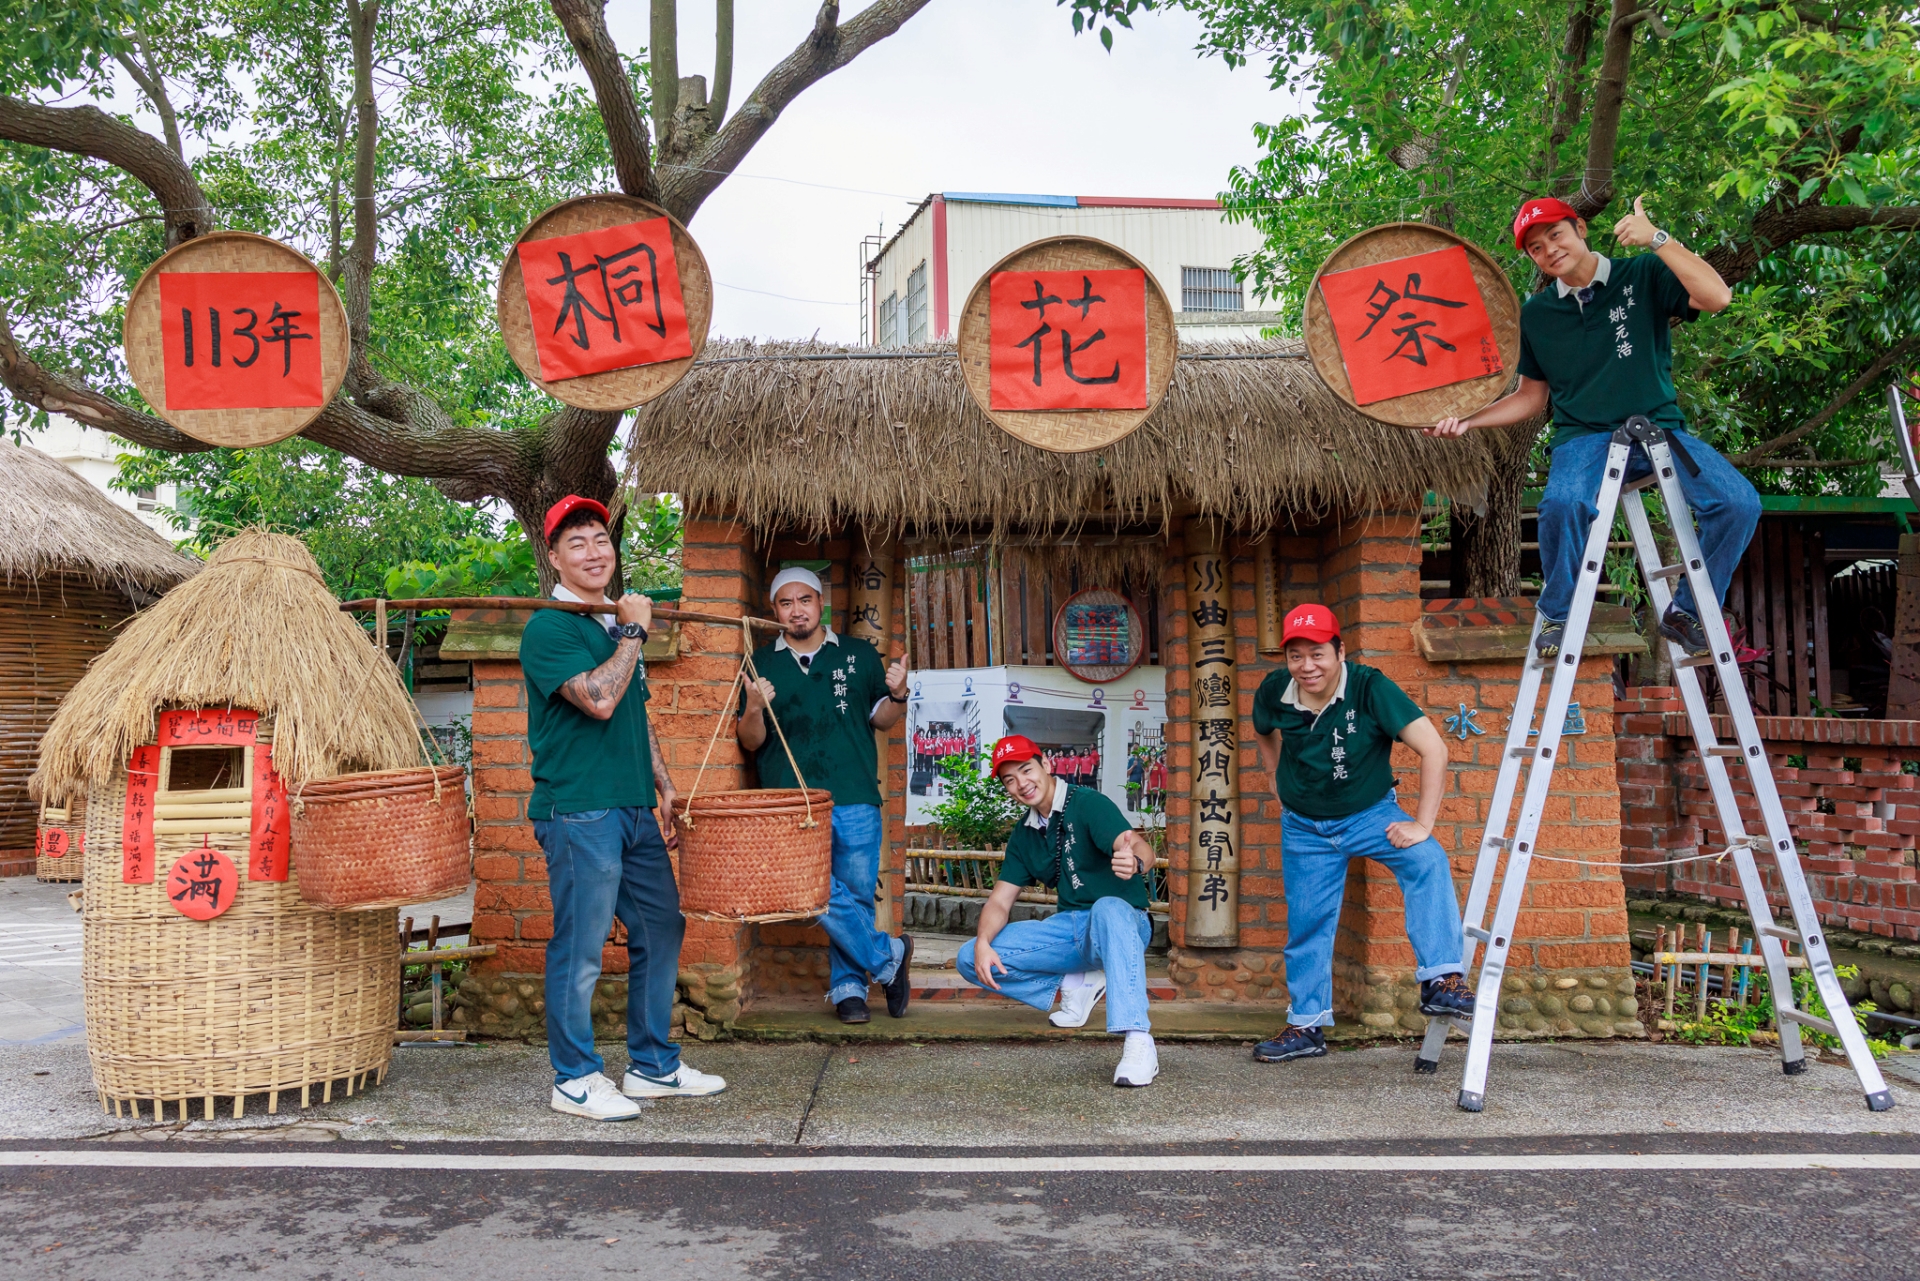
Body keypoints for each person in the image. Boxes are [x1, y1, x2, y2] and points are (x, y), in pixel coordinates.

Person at [1427, 195, 1758, 660]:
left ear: (1579, 228)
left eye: (1555, 235)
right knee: (1562, 504)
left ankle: (1687, 612)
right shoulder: (1538, 315)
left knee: (1739, 502)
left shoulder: (1641, 274)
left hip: (1659, 430)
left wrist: (1658, 239)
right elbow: (1531, 396)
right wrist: (1469, 421)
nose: (1549, 250)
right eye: (1536, 248)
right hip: (1583, 438)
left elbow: (1717, 297)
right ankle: (1558, 614)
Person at [522, 495, 725, 1121]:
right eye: (577, 543)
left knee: (662, 925)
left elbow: (635, 718)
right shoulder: (549, 627)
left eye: (601, 540)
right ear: (554, 557)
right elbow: (599, 701)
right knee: (581, 944)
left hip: (633, 807)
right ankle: (574, 1078)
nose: (593, 552)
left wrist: (662, 785)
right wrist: (634, 631)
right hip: (579, 808)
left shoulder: (612, 629)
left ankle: (652, 1066)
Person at [1249, 604, 1477, 1064]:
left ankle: (1442, 980)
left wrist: (1423, 824)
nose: (1307, 666)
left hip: (1370, 814)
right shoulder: (1276, 689)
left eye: (1318, 653)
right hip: (1303, 827)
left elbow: (1435, 749)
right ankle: (1306, 1027)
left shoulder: (1371, 687)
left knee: (1426, 859)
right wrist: (1273, 774)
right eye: (1296, 656)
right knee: (1308, 925)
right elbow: (1263, 729)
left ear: (1340, 650)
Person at [738, 566, 914, 1024]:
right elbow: (751, 741)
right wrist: (755, 706)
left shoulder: (857, 655)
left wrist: (899, 695)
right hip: (788, 804)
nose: (796, 610)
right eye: (785, 603)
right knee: (810, 891)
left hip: (855, 794)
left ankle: (849, 990)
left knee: (854, 896)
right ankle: (888, 957)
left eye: (805, 600)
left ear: (821, 605)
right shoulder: (760, 663)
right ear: (774, 610)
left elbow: (881, 720)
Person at [956, 735, 1162, 1087]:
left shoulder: (1088, 804)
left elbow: (1138, 846)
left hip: (1123, 921)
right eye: (1010, 779)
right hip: (1071, 929)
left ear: (1046, 766)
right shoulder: (1025, 834)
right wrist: (983, 941)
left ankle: (1139, 1039)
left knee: (1109, 907)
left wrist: (1137, 861)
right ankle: (1075, 982)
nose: (1022, 784)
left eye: (1026, 770)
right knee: (970, 956)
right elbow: (1000, 901)